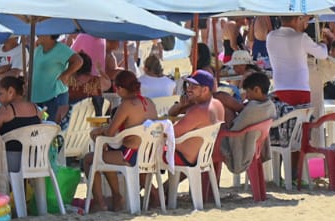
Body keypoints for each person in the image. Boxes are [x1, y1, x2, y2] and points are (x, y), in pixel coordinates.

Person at [85, 70, 159, 210]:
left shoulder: (126, 105)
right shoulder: (148, 102)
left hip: (131, 155)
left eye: (116, 88)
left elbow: (110, 133)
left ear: (121, 89)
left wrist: (98, 131)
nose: (116, 91)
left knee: (90, 159)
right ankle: (150, 194)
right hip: (149, 154)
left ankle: (102, 201)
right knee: (105, 151)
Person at [218, 71, 277, 174]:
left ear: (257, 90)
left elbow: (235, 128)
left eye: (248, 92)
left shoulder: (253, 109)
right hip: (256, 145)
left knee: (225, 109)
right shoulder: (269, 105)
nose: (247, 97)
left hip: (241, 146)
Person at [167, 71, 227, 169]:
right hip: (203, 156)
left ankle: (148, 185)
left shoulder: (198, 110)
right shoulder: (217, 104)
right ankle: (166, 185)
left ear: (205, 89)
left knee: (141, 151)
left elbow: (171, 133)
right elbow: (171, 113)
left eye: (194, 86)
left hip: (184, 157)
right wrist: (181, 105)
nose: (188, 89)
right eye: (188, 85)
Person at [265, 15, 329, 106]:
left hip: (279, 88)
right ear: (297, 19)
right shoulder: (301, 37)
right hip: (300, 89)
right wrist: (323, 44)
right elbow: (323, 54)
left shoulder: (270, 36)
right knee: (302, 118)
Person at [0, 75, 42, 170]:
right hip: (34, 159)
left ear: (11, 91)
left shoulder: (5, 110)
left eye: (1, 94)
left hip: (11, 161)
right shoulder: (35, 108)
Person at [30, 33, 82, 124]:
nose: (37, 34)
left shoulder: (61, 49)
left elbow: (78, 61)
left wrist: (66, 74)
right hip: (36, 97)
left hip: (54, 97)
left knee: (51, 128)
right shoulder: (38, 49)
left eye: (40, 33)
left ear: (49, 34)